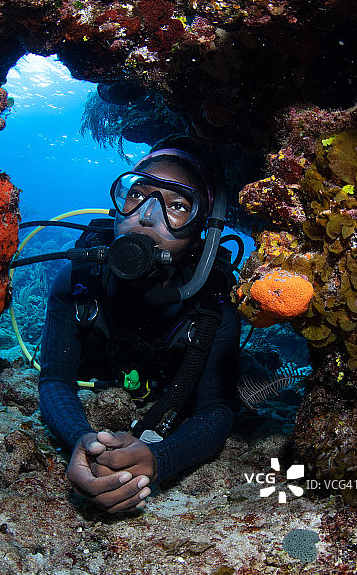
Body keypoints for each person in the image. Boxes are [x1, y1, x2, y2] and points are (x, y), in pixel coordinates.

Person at [38, 135, 241, 513]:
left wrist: (159, 459)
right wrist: (83, 441)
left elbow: (217, 408)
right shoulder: (77, 281)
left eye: (177, 206)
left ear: (201, 233)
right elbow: (54, 379)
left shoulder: (216, 308)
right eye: (137, 195)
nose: (146, 216)